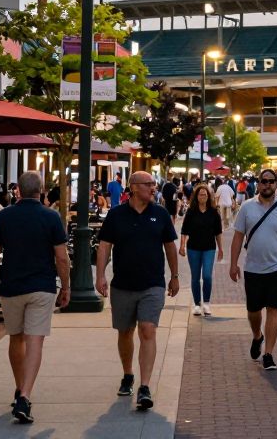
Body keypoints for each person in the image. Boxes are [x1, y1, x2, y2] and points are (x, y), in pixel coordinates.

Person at [0, 171, 71, 425]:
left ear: (18, 191)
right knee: (35, 341)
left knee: (16, 338)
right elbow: (62, 257)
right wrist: (66, 286)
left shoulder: (4, 217)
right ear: (41, 190)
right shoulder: (51, 217)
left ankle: (19, 387)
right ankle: (25, 394)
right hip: (41, 286)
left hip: (11, 286)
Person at [96, 171, 179, 411]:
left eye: (154, 184)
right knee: (125, 332)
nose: (153, 188)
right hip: (122, 284)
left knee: (147, 329)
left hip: (153, 284)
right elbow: (104, 246)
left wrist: (174, 276)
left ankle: (145, 386)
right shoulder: (116, 215)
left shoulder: (160, 213)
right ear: (133, 188)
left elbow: (170, 247)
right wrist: (101, 275)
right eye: (148, 184)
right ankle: (128, 374)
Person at [229, 169, 277, 371]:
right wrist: (233, 264)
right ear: (258, 184)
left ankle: (268, 353)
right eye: (264, 181)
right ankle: (257, 336)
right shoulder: (247, 207)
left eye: (271, 181)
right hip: (253, 268)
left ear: (276, 184)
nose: (267, 184)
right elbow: (237, 238)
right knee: (253, 311)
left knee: (273, 308)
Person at [179, 184, 223, 316]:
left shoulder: (214, 212)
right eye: (200, 194)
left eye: (204, 194)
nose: (202, 196)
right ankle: (197, 304)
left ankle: (207, 303)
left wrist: (221, 249)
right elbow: (184, 230)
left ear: (208, 196)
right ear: (196, 197)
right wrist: (182, 246)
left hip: (209, 248)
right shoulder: (191, 212)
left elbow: (218, 232)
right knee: (195, 277)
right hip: (193, 248)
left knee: (207, 276)